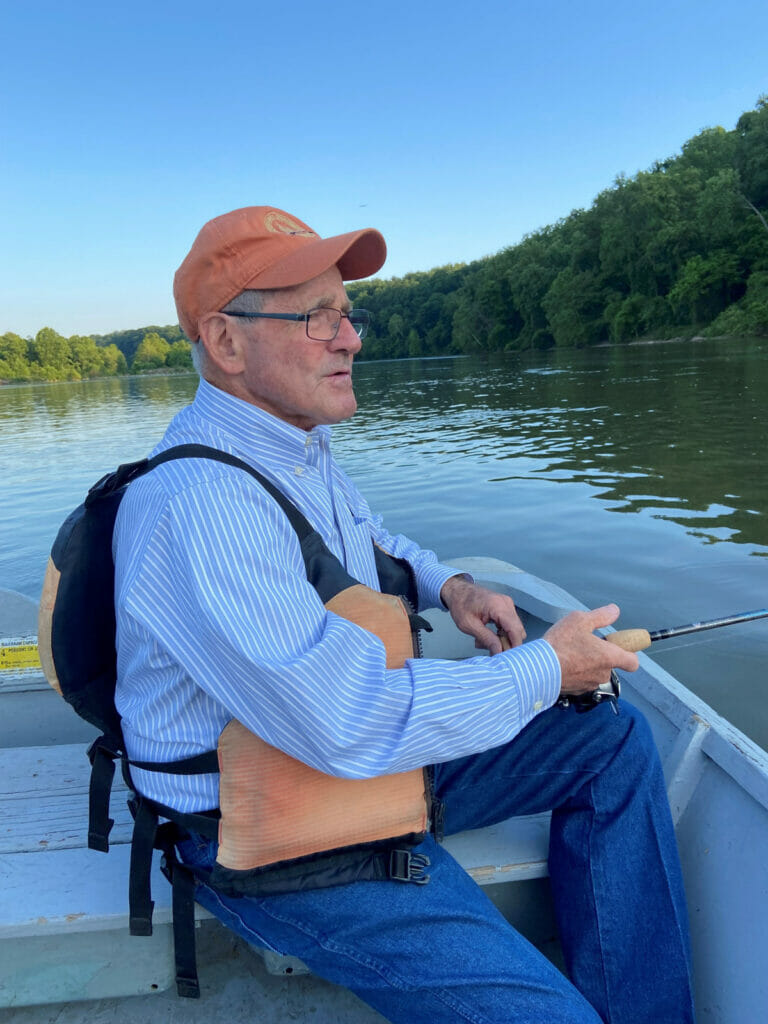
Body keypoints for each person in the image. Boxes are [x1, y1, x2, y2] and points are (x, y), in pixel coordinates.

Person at [113, 205, 695, 1024]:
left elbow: (370, 540)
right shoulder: (200, 505)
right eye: (316, 317)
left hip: (359, 771)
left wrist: (450, 586)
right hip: (268, 827)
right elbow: (347, 722)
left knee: (608, 738)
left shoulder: (293, 446)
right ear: (227, 341)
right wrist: (546, 668)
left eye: (346, 314)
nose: (350, 338)